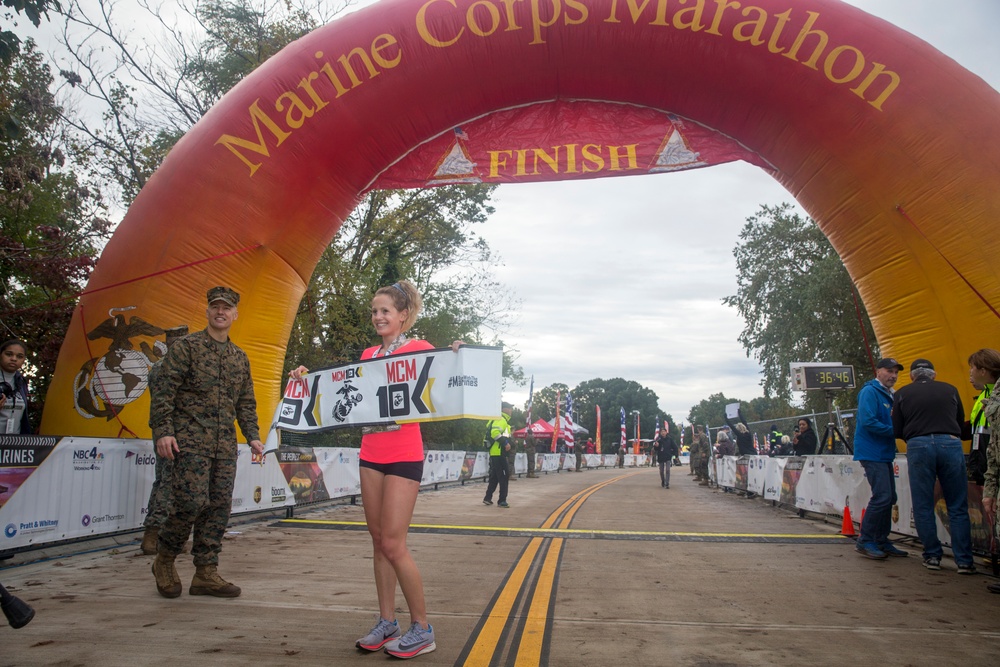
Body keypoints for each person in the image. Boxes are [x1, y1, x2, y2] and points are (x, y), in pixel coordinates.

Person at [291, 280, 458, 658]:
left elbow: (448, 375)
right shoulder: (367, 354)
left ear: (403, 315)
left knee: (395, 544)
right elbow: (340, 391)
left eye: (385, 311)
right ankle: (387, 621)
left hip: (404, 453)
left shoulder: (420, 349)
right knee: (378, 540)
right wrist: (306, 379)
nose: (378, 317)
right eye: (374, 311)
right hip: (371, 452)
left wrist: (459, 354)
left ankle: (423, 628)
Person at [149, 287, 264, 599]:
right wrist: (163, 431)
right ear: (208, 311)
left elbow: (246, 402)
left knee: (218, 509)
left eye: (227, 308)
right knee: (188, 504)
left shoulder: (239, 358)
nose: (221, 312)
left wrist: (252, 435)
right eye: (215, 306)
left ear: (235, 314)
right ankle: (165, 560)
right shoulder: (187, 347)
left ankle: (206, 572)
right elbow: (164, 391)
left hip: (224, 446)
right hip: (188, 442)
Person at [891, 358, 975, 573]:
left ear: (912, 376)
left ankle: (932, 556)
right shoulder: (950, 389)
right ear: (934, 374)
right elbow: (959, 420)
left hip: (919, 445)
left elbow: (897, 429)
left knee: (923, 504)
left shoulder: (901, 393)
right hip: (950, 442)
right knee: (957, 504)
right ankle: (964, 561)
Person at [140, 325, 189, 555]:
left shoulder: (183, 366)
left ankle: (168, 535)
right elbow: (163, 406)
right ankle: (153, 533)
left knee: (175, 483)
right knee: (167, 482)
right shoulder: (163, 368)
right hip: (169, 432)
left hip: (183, 432)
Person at [853, 357, 905, 560]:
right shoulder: (869, 392)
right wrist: (897, 431)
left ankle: (881, 540)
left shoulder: (889, 394)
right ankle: (866, 540)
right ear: (878, 371)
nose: (893, 376)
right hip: (871, 452)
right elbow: (868, 422)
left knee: (890, 497)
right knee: (882, 496)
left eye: (896, 373)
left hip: (883, 452)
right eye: (889, 371)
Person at [965, 349, 1000, 486]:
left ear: (983, 371)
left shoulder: (995, 394)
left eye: (972, 367)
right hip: (983, 461)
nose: (970, 372)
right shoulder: (984, 394)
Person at [483, 402, 513, 507]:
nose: (511, 411)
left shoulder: (495, 419)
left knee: (495, 477)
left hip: (494, 453)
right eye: (510, 408)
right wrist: (505, 443)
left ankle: (488, 498)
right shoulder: (501, 419)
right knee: (504, 477)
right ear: (504, 409)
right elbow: (495, 433)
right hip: (499, 453)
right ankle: (502, 501)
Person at [0, 339, 30, 435]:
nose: (14, 359)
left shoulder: (21, 382)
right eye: (9, 354)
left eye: (19, 356)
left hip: (15, 444)